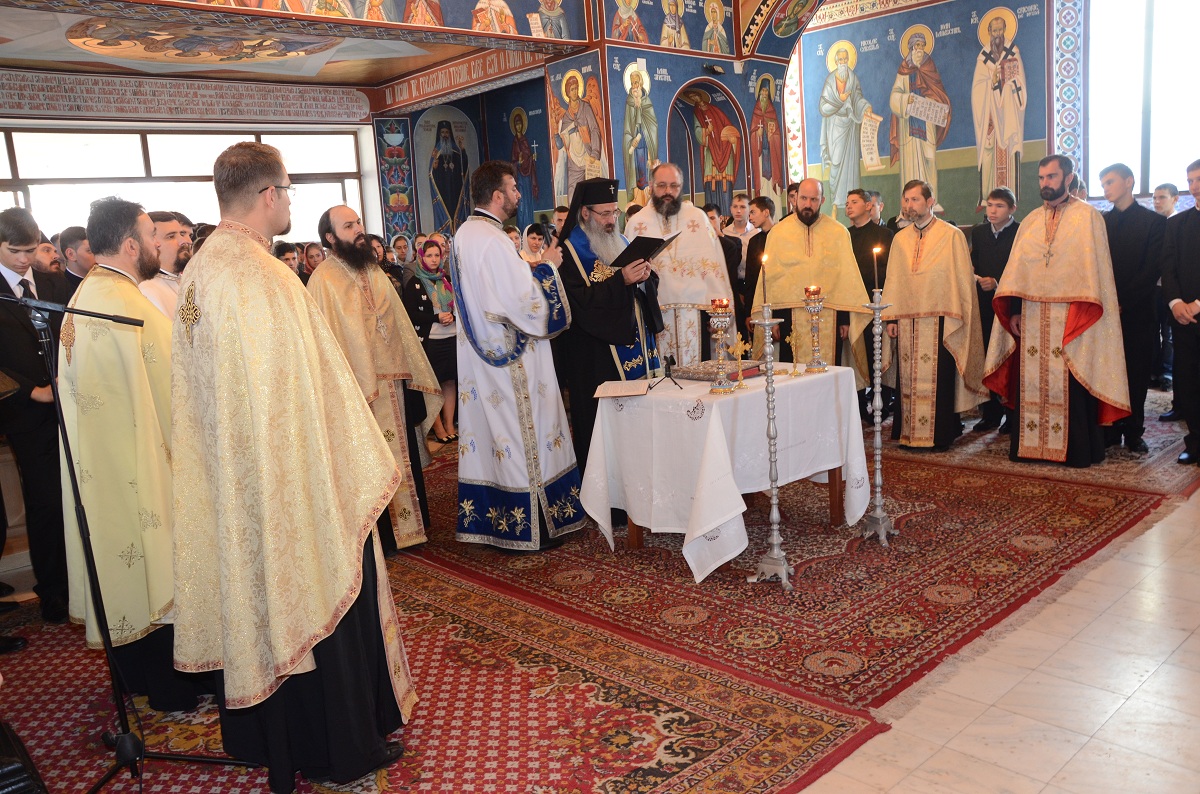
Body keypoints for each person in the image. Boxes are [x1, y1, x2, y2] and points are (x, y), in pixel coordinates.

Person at [171, 142, 415, 792]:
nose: (289, 202)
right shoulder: (263, 278)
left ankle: (265, 738)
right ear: (268, 195)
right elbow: (312, 396)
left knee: (257, 604)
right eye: (288, 191)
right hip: (290, 487)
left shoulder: (201, 271)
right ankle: (339, 749)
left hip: (237, 484)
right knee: (318, 596)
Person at [59, 196, 204, 710]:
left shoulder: (85, 297)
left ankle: (138, 679)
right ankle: (173, 689)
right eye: (150, 236)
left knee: (126, 569)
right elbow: (179, 389)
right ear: (129, 244)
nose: (157, 244)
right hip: (144, 465)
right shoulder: (127, 304)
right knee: (157, 566)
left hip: (103, 471)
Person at [452, 160, 584, 552]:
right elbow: (521, 301)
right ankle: (536, 526)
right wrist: (549, 269)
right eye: (513, 188)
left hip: (480, 357)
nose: (518, 194)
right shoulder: (492, 239)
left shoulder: (465, 233)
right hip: (512, 358)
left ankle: (500, 524)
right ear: (497, 195)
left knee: (496, 437)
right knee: (527, 434)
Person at [309, 204, 443, 552]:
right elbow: (326, 340)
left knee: (403, 454)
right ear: (330, 236)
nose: (358, 230)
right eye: (349, 225)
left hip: (393, 378)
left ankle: (414, 526)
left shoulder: (375, 270)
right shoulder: (322, 280)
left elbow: (396, 323)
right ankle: (383, 537)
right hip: (358, 387)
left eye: (359, 223)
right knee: (372, 458)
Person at [983, 155, 1129, 468]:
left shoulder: (1088, 217)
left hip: (1072, 318)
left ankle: (1075, 450)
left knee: (1071, 382)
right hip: (1033, 316)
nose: (1045, 183)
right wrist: (1016, 311)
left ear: (1068, 177)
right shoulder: (1032, 221)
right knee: (1030, 383)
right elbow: (1019, 271)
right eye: (1041, 178)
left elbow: (1095, 275)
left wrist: (1082, 316)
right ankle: (1030, 447)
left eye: (1051, 177)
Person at [556, 177, 662, 472]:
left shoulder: (622, 240)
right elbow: (579, 306)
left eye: (615, 212)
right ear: (586, 213)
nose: (611, 220)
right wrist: (623, 280)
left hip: (635, 350)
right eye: (605, 214)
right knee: (604, 428)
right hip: (595, 359)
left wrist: (645, 277)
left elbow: (637, 289)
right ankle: (610, 499)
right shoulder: (569, 252)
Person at [0, 208, 70, 625]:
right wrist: (33, 390)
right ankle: (53, 592)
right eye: (15, 251)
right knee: (45, 504)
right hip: (25, 414)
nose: (26, 259)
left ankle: (81, 581)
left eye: (31, 249)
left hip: (70, 406)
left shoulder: (51, 282)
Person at [883, 180, 987, 449]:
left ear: (930, 202)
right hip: (907, 320)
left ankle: (940, 435)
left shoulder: (951, 235)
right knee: (908, 379)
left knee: (939, 380)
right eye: (905, 200)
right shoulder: (899, 239)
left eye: (915, 200)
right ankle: (909, 433)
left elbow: (961, 280)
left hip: (940, 318)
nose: (908, 205)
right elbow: (894, 280)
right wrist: (892, 318)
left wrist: (956, 312)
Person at [750, 180, 871, 388]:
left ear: (822, 200)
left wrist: (844, 319)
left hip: (829, 317)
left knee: (829, 373)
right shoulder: (778, 233)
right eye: (804, 198)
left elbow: (845, 280)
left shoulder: (838, 233)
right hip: (789, 318)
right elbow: (770, 282)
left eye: (814, 199)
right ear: (796, 199)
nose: (808, 204)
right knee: (791, 377)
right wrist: (774, 321)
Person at [626, 162, 734, 366]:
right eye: (662, 185)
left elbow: (714, 266)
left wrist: (719, 312)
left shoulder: (698, 218)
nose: (668, 191)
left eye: (674, 186)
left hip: (695, 311)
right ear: (651, 186)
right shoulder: (637, 223)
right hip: (653, 315)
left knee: (699, 376)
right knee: (661, 379)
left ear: (681, 187)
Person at [1100, 162, 1165, 454]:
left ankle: (1134, 431)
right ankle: (1111, 428)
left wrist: (1124, 302)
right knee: (1109, 372)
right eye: (1103, 184)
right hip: (1106, 312)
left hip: (1138, 311)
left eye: (1111, 182)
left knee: (1136, 372)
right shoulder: (1102, 222)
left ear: (1129, 182)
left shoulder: (1154, 222)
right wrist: (1108, 302)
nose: (1106, 188)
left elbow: (1151, 269)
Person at [969, 187, 1019, 433]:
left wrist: (997, 282)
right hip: (983, 305)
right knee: (986, 357)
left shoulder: (1021, 232)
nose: (992, 211)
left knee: (1008, 358)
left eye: (999, 206)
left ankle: (1011, 415)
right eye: (989, 205)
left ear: (1011, 209)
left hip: (1010, 304)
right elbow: (974, 261)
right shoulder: (978, 233)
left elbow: (1022, 269)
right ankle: (990, 414)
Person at [401, 239, 459, 444]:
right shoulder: (415, 282)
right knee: (433, 384)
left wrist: (452, 314)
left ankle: (450, 423)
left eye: (437, 255)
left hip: (451, 337)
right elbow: (410, 315)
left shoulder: (447, 280)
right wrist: (436, 317)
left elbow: (459, 304)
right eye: (429, 256)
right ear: (421, 257)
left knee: (450, 381)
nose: (434, 259)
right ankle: (438, 428)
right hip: (430, 340)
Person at [1161, 159, 1200, 464]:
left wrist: (1198, 304)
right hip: (1184, 318)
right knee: (1187, 381)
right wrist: (1176, 303)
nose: (1195, 186)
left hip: (1196, 309)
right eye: (1190, 180)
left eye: (1199, 179)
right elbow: (1168, 268)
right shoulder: (1177, 224)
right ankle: (1195, 442)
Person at [889, 30, 951, 212]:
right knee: (911, 162)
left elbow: (939, 93)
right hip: (909, 125)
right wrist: (905, 99)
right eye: (917, 46)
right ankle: (910, 205)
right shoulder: (904, 71)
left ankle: (932, 200)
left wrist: (931, 102)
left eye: (922, 46)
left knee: (929, 158)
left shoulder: (929, 67)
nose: (920, 50)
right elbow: (894, 96)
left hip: (927, 122)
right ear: (910, 48)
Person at [846, 188, 895, 416]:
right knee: (855, 357)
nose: (848, 206)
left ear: (868, 205)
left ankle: (882, 404)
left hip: (877, 303)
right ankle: (857, 406)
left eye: (854, 202)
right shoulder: (843, 236)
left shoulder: (884, 235)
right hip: (852, 306)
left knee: (878, 353)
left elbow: (891, 271)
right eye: (847, 203)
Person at [971, 12, 1026, 207]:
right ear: (988, 32)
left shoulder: (1013, 51)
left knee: (1008, 153)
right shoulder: (983, 57)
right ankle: (987, 197)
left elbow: (1020, 83)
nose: (998, 34)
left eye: (1001, 29)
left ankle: (1009, 199)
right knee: (988, 153)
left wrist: (1009, 83)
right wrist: (991, 82)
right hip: (990, 116)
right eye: (994, 30)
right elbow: (978, 89)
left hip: (1008, 113)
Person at [820, 45, 872, 210]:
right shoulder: (830, 80)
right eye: (840, 59)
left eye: (845, 59)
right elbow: (823, 107)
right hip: (835, 126)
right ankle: (835, 203)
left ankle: (852, 206)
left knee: (851, 165)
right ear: (835, 62)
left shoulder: (852, 77)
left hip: (850, 126)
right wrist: (840, 100)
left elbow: (857, 98)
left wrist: (865, 107)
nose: (843, 62)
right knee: (836, 163)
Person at [553, 75, 602, 206]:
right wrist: (557, 136)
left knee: (591, 194)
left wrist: (595, 153)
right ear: (568, 93)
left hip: (587, 157)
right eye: (572, 89)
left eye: (576, 88)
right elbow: (561, 144)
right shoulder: (567, 116)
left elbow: (595, 130)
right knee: (573, 194)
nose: (575, 92)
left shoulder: (585, 108)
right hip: (573, 161)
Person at [139, 210, 191, 318]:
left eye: (181, 234)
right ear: (152, 243)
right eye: (171, 236)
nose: (184, 241)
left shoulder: (189, 282)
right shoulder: (146, 291)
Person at [705, 202, 744, 334]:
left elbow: (733, 266)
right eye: (706, 219)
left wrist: (719, 236)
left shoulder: (733, 242)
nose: (709, 222)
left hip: (730, 295)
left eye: (712, 218)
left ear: (720, 218)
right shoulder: (702, 246)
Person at [622, 67, 658, 208]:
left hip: (645, 143)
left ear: (641, 84)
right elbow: (627, 126)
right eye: (632, 83)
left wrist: (644, 131)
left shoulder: (647, 101)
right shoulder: (629, 103)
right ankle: (637, 199)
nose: (634, 86)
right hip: (635, 145)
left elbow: (652, 124)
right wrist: (631, 141)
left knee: (644, 169)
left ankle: (648, 200)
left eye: (636, 83)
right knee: (636, 169)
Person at [741, 196, 775, 338]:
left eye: (753, 212)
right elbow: (750, 279)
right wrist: (749, 313)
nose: (750, 218)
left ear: (766, 212)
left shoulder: (782, 236)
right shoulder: (754, 241)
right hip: (758, 305)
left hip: (778, 303)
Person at [430, 120, 470, 234]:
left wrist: (462, 149)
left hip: (455, 189)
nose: (445, 135)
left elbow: (464, 166)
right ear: (439, 134)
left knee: (455, 211)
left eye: (447, 132)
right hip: (442, 190)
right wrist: (434, 166)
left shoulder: (456, 152)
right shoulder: (436, 152)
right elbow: (432, 174)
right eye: (442, 132)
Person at [750, 79, 784, 198]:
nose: (764, 94)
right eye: (763, 91)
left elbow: (777, 133)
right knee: (761, 178)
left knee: (771, 176)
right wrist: (757, 134)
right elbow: (753, 131)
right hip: (760, 153)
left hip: (771, 152)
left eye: (766, 91)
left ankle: (774, 199)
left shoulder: (772, 111)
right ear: (759, 92)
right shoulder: (756, 110)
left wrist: (772, 136)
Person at [511, 110, 538, 230]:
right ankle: (523, 229)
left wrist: (532, 158)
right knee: (522, 204)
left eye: (520, 123)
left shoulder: (525, 140)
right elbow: (512, 163)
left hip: (527, 177)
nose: (518, 126)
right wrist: (519, 163)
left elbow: (528, 156)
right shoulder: (515, 143)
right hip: (520, 178)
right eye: (516, 124)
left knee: (528, 201)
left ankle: (530, 227)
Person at [59, 225, 96, 297]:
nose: (97, 256)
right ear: (71, 254)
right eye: (90, 251)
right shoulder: (60, 289)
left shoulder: (102, 281)